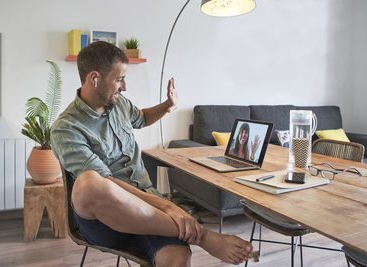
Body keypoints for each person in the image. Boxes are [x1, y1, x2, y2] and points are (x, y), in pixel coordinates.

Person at [51, 41, 253, 266]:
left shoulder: (118, 104)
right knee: (88, 183)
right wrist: (168, 206)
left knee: (177, 260)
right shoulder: (66, 128)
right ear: (94, 78)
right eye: (119, 79)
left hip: (150, 208)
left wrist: (168, 105)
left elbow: (141, 118)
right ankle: (204, 236)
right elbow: (106, 183)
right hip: (105, 220)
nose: (124, 86)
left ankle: (182, 229)